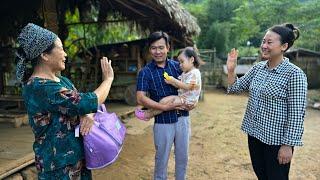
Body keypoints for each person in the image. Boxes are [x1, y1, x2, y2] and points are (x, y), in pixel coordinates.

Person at [15, 23, 114, 179]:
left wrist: (88, 116)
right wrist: (108, 80)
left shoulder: (63, 81)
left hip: (78, 159)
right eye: (61, 49)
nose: (65, 54)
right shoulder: (39, 87)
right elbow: (87, 102)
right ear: (44, 55)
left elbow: (83, 107)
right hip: (57, 167)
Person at [227, 23, 307, 180]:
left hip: (276, 141)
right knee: (262, 176)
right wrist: (231, 70)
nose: (264, 45)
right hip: (255, 135)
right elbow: (235, 88)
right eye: (263, 41)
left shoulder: (294, 75)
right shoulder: (258, 68)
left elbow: (297, 114)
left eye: (269, 42)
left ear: (284, 46)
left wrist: (287, 145)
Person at [136, 31, 193, 180]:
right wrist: (163, 108)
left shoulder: (178, 67)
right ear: (149, 49)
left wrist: (192, 102)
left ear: (168, 47)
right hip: (162, 122)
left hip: (182, 119)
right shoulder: (145, 72)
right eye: (154, 48)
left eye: (161, 47)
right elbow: (140, 98)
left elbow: (192, 86)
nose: (158, 51)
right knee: (161, 160)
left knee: (183, 158)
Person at [135, 47, 202, 120]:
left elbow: (189, 87)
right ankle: (149, 113)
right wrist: (171, 82)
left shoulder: (194, 73)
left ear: (192, 60)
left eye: (182, 62)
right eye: (179, 62)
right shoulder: (186, 72)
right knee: (164, 101)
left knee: (165, 102)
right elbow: (180, 85)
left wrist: (174, 80)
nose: (180, 65)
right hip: (183, 99)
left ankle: (148, 115)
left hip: (188, 101)